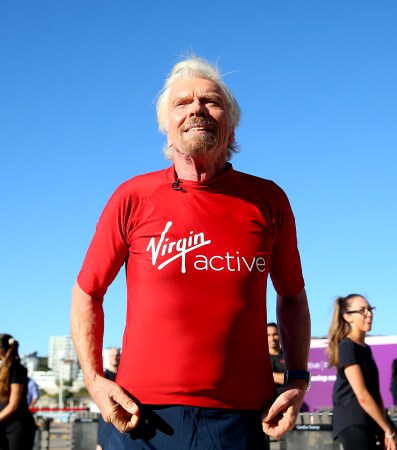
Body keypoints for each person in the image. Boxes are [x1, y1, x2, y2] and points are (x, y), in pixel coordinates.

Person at [71, 55, 311, 450]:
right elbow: (87, 292)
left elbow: (291, 295)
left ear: (231, 124)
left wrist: (298, 379)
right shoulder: (133, 196)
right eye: (182, 103)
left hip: (240, 419)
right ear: (166, 128)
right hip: (141, 415)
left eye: (210, 101)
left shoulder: (268, 199)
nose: (197, 108)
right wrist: (94, 379)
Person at [326, 294, 397, 450]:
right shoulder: (347, 347)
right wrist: (388, 430)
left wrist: (383, 426)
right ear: (347, 317)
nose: (369, 314)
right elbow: (363, 395)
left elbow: (375, 393)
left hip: (368, 422)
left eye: (370, 309)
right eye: (362, 310)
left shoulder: (365, 348)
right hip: (353, 422)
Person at [0, 334, 36, 450]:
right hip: (4, 423)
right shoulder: (2, 370)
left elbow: (14, 405)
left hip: (17, 425)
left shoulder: (17, 369)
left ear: (1, 351)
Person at [267, 322, 286, 396]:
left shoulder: (288, 357)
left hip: (286, 401)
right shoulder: (259, 358)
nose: (272, 338)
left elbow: (292, 380)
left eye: (275, 334)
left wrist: (267, 375)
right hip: (265, 404)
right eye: (268, 335)